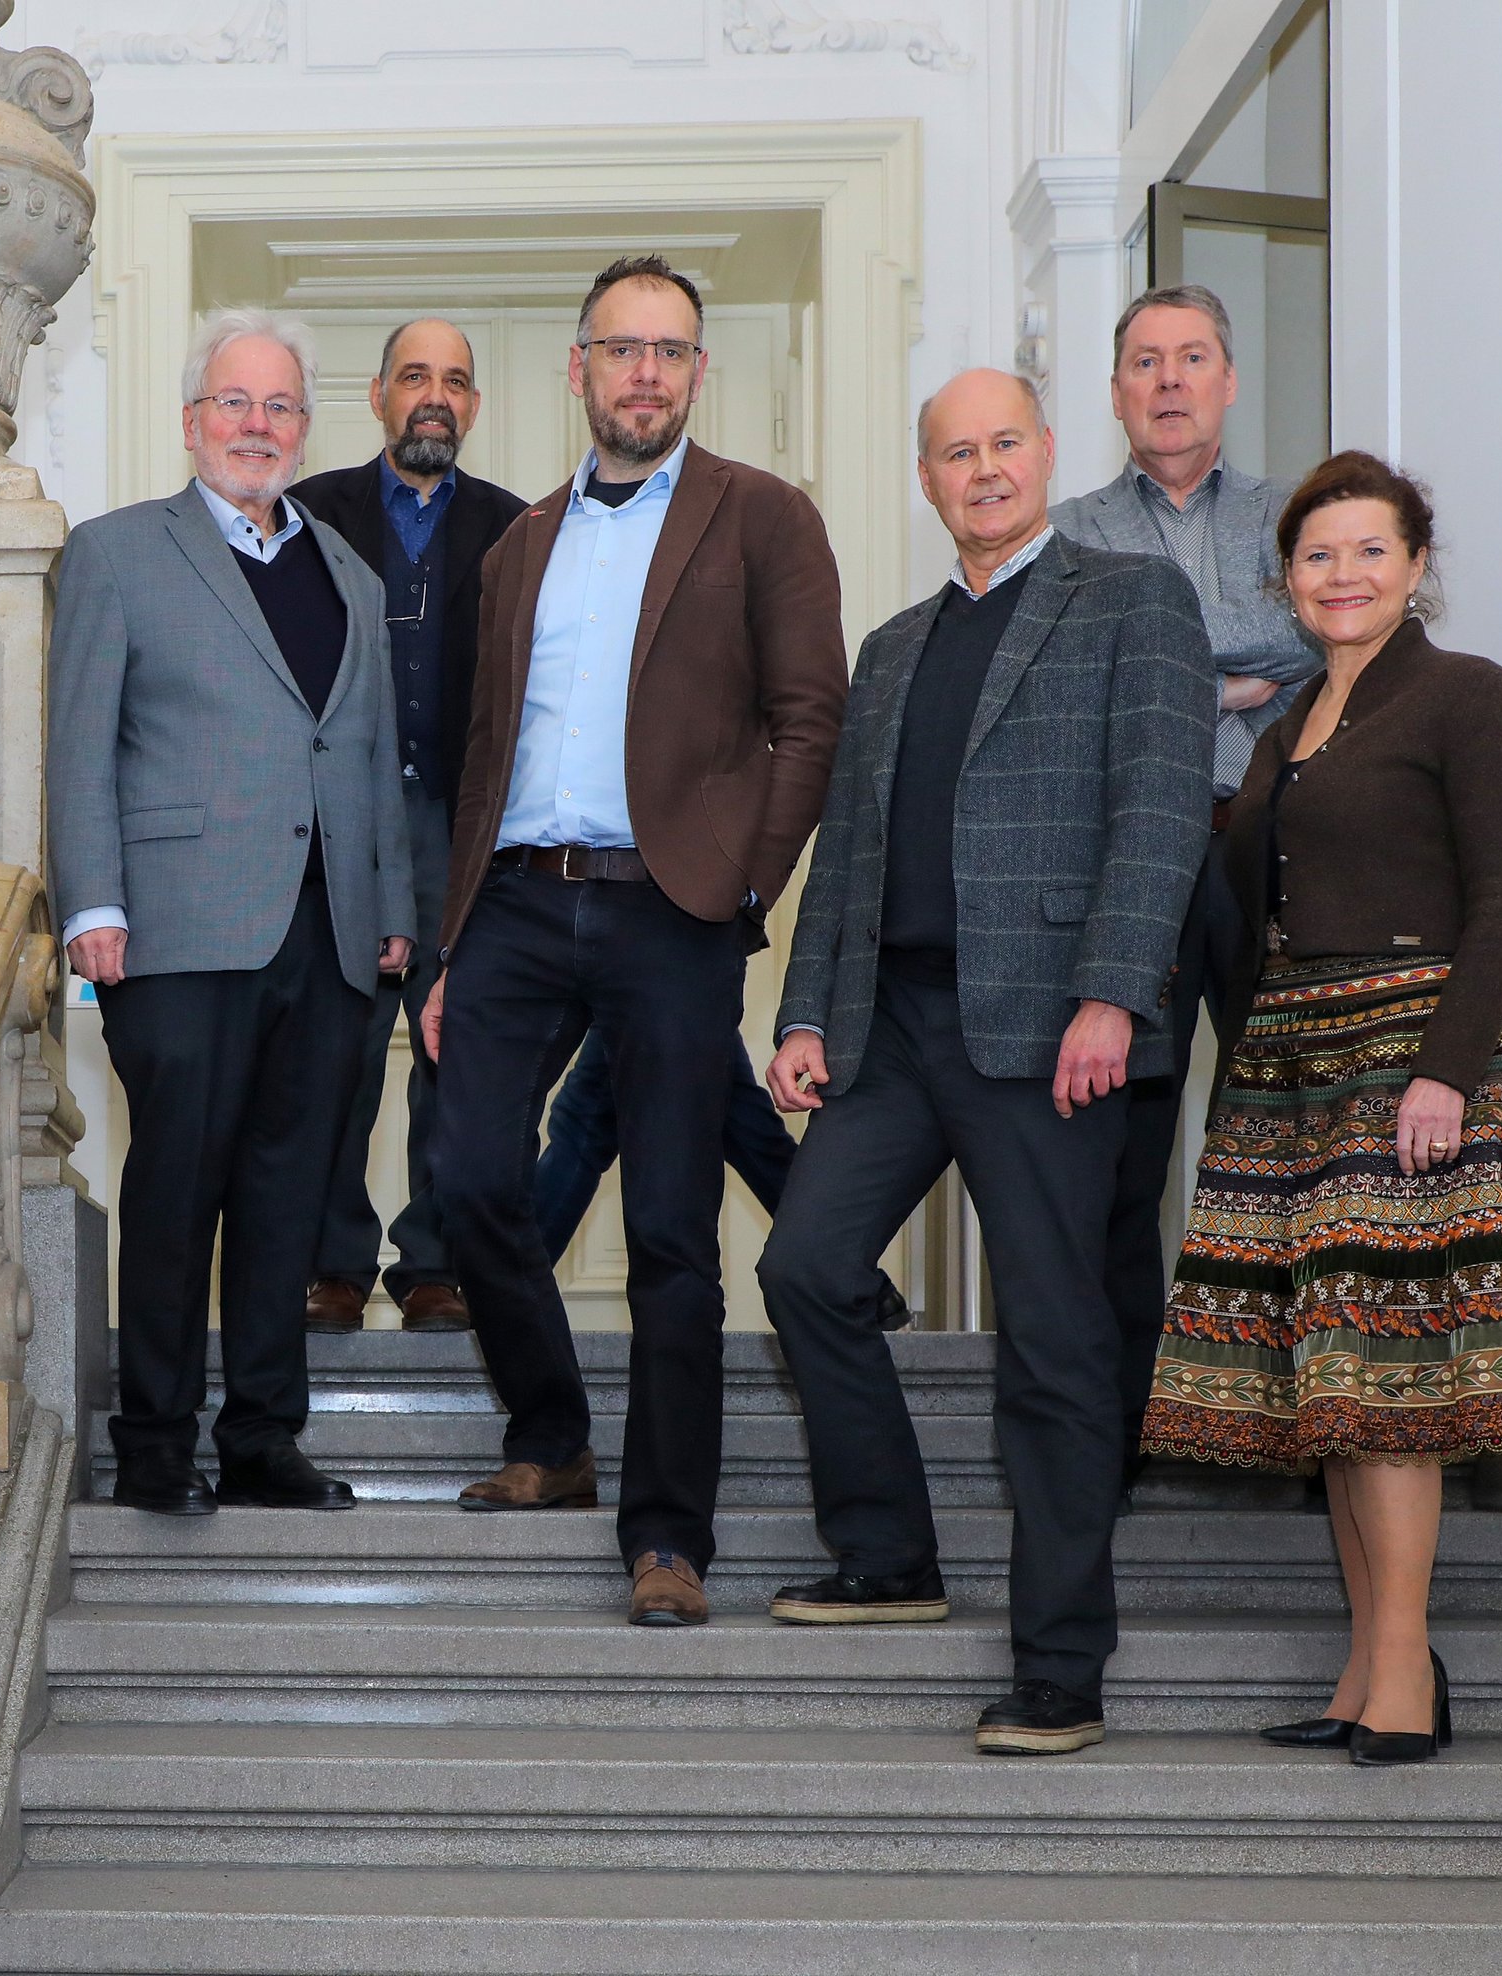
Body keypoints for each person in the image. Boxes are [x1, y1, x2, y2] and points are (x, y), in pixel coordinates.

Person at [758, 369, 1214, 1754]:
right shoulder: (892, 647)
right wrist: (803, 1015)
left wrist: (1114, 997)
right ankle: (889, 1552)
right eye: (956, 452)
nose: (984, 468)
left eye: (1004, 442)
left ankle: (1061, 1666)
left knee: (1055, 1340)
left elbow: (1159, 810)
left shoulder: (1133, 600)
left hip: (1050, 1033)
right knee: (803, 1266)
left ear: (1046, 453)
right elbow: (849, 854)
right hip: (895, 1027)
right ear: (929, 479)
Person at [1143, 450, 1502, 1766]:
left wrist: (1447, 1068)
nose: (1343, 576)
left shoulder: (1464, 696)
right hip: (1288, 1058)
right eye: (1319, 555)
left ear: (1415, 567)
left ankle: (1404, 1666)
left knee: (1392, 1380)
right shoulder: (1288, 730)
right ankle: (1367, 1664)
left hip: (1410, 1059)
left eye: (1369, 552)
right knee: (1327, 1380)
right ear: (1288, 580)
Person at [420, 255, 847, 1627]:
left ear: (698, 373)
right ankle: (551, 1434)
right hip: (518, 901)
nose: (646, 372)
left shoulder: (764, 518)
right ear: (580, 369)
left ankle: (669, 1536)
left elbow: (808, 720)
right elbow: (489, 751)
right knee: (468, 1177)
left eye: (670, 350)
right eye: (622, 349)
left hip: (673, 906)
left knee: (672, 1230)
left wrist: (738, 886)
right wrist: (447, 944)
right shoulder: (519, 544)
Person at [48, 307, 415, 1516]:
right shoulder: (114, 554)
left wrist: (391, 908)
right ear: (193, 419)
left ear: (307, 427)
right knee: (176, 1189)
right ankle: (154, 1442)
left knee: (288, 1198)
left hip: (328, 939)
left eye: (279, 407)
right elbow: (79, 745)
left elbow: (367, 755)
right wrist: (90, 903)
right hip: (176, 930)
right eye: (235, 404)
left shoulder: (349, 575)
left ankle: (263, 1439)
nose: (257, 426)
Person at [1050, 284, 1320, 1495]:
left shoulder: (1295, 519)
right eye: (1145, 362)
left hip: (1276, 848)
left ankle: (1292, 1421)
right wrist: (1231, 676)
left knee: (1279, 1132)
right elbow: (1066, 694)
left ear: (1227, 381)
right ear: (1114, 392)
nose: (1168, 381)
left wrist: (1162, 671)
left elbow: (1329, 646)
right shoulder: (1066, 536)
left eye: (1192, 358)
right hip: (1127, 864)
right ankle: (1126, 1425)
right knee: (1124, 1147)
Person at [291, 319, 528, 1336]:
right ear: (379, 393)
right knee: (332, 1049)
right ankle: (331, 1261)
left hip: (465, 826)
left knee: (455, 1051)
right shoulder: (308, 515)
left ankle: (435, 1262)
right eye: (417, 376)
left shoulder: (523, 529)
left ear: (473, 406)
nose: (437, 395)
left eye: (458, 381)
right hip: (339, 822)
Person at [534, 1029, 910, 1331]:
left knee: (583, 1123)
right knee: (749, 1131)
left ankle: (502, 1283)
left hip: (662, 957)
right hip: (694, 964)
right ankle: (860, 1281)